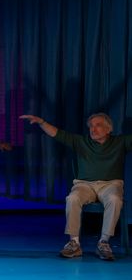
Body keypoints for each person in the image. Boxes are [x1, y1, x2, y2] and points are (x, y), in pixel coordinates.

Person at [21, 112, 132, 261]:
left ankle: (104, 242)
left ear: (109, 129)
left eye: (98, 125)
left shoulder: (120, 142)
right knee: (72, 198)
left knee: (114, 199)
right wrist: (41, 122)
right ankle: (74, 243)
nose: (93, 129)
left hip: (110, 184)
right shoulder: (81, 141)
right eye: (91, 126)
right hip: (84, 184)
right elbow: (57, 134)